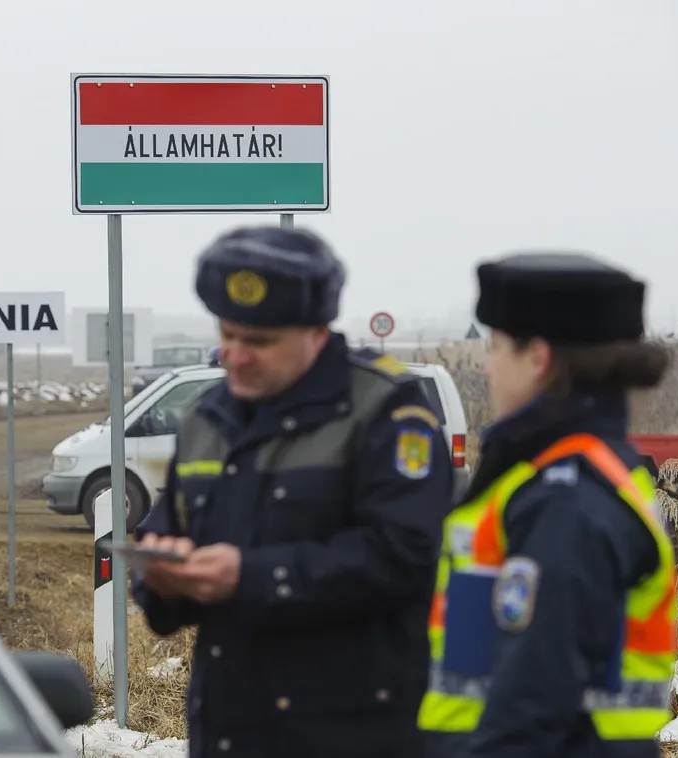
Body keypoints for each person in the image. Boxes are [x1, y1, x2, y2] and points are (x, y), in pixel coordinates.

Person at [129, 225, 454, 758]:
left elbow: (404, 558)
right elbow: (170, 526)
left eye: (259, 342)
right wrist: (166, 575)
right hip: (230, 732)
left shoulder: (385, 413)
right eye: (228, 335)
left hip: (351, 736)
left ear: (317, 334)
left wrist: (249, 576)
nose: (235, 356)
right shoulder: (207, 419)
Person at [417, 251, 678, 758]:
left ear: (537, 359)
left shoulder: (565, 497)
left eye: (494, 349)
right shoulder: (561, 474)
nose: (487, 368)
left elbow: (533, 697)